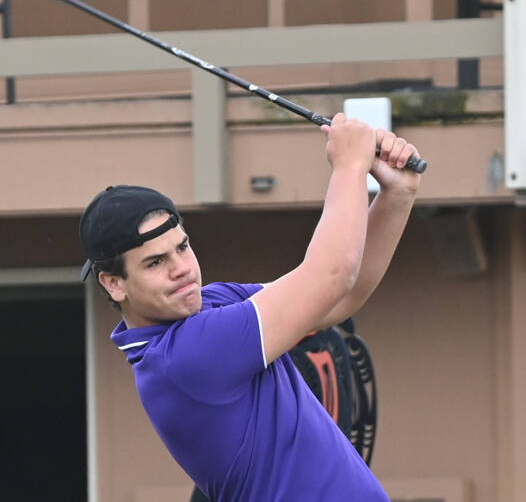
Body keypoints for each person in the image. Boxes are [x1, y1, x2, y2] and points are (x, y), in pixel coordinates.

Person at [79, 113, 421, 502]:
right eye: (156, 262)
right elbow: (331, 275)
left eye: (183, 247)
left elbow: (334, 298)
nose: (182, 269)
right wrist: (350, 166)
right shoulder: (187, 354)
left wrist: (396, 196)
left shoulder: (213, 304)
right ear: (114, 283)